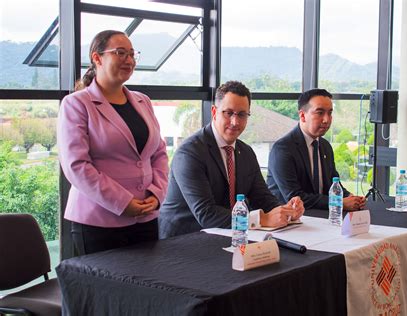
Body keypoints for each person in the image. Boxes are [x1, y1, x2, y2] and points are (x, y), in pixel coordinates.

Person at [58, 30, 169, 255]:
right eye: (120, 53)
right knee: (106, 290)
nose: (129, 60)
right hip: (98, 222)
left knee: (148, 287)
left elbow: (159, 153)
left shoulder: (143, 101)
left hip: (146, 218)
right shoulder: (76, 104)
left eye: (132, 54)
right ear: (97, 58)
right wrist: (122, 202)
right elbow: (76, 166)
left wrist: (157, 194)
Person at [159, 81, 304, 238]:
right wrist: (261, 219)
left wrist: (286, 211)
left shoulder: (246, 152)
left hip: (227, 234)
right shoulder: (189, 153)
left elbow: (262, 198)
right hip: (184, 241)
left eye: (242, 114)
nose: (235, 122)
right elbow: (206, 214)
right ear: (214, 112)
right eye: (228, 113)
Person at [267, 88, 366, 211]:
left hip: (321, 217)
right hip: (289, 220)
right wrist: (339, 202)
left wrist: (350, 197)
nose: (326, 119)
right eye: (320, 113)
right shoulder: (282, 149)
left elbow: (333, 184)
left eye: (330, 113)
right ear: (302, 115)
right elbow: (294, 197)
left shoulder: (325, 146)